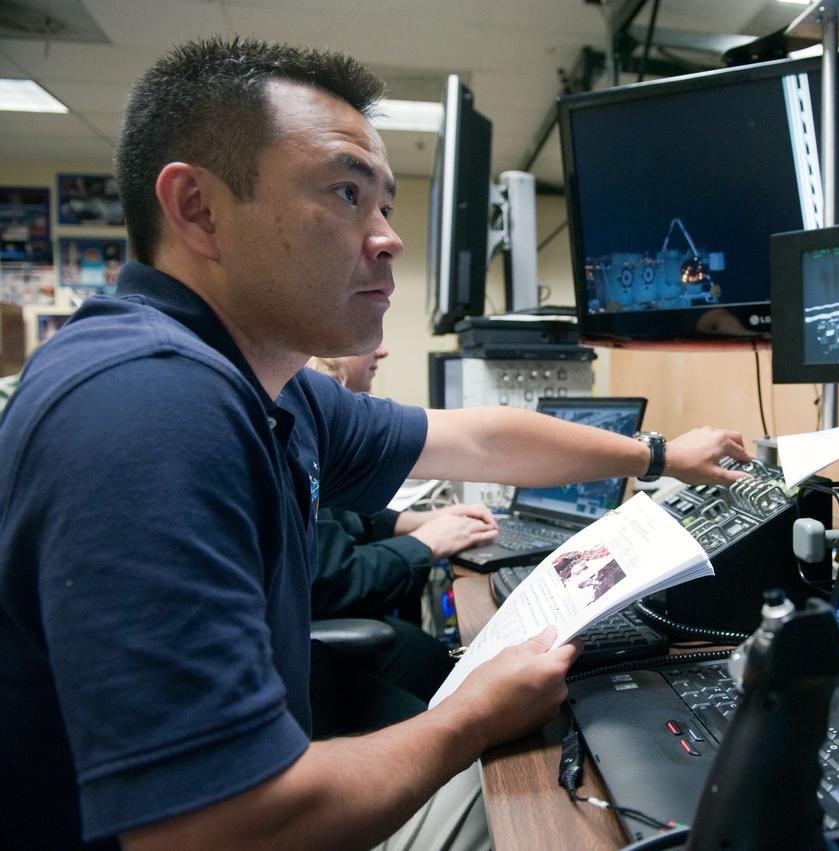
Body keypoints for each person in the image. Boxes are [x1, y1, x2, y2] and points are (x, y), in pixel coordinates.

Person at [0, 36, 751, 851]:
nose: (387, 235)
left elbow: (484, 439)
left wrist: (661, 455)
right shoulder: (148, 403)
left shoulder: (264, 388)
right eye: (347, 192)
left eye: (385, 202)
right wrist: (472, 716)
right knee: (584, 809)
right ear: (197, 209)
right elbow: (218, 830)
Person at [306, 350, 500, 736]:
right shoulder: (293, 412)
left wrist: (415, 522)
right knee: (461, 723)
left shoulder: (310, 414)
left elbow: (339, 515)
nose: (381, 350)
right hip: (301, 661)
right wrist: (426, 543)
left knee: (434, 657)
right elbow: (333, 578)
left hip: (314, 637)